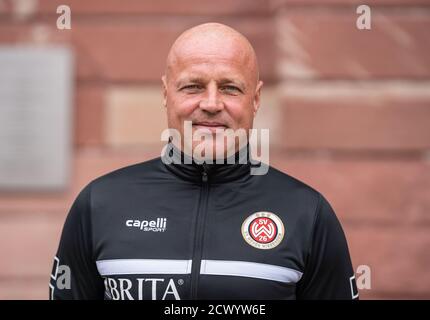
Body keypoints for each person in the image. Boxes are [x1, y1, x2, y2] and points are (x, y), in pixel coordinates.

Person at [49, 22, 358, 300]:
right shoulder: (100, 203)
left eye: (230, 88)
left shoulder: (307, 212)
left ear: (256, 99)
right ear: (166, 93)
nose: (211, 104)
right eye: (193, 86)